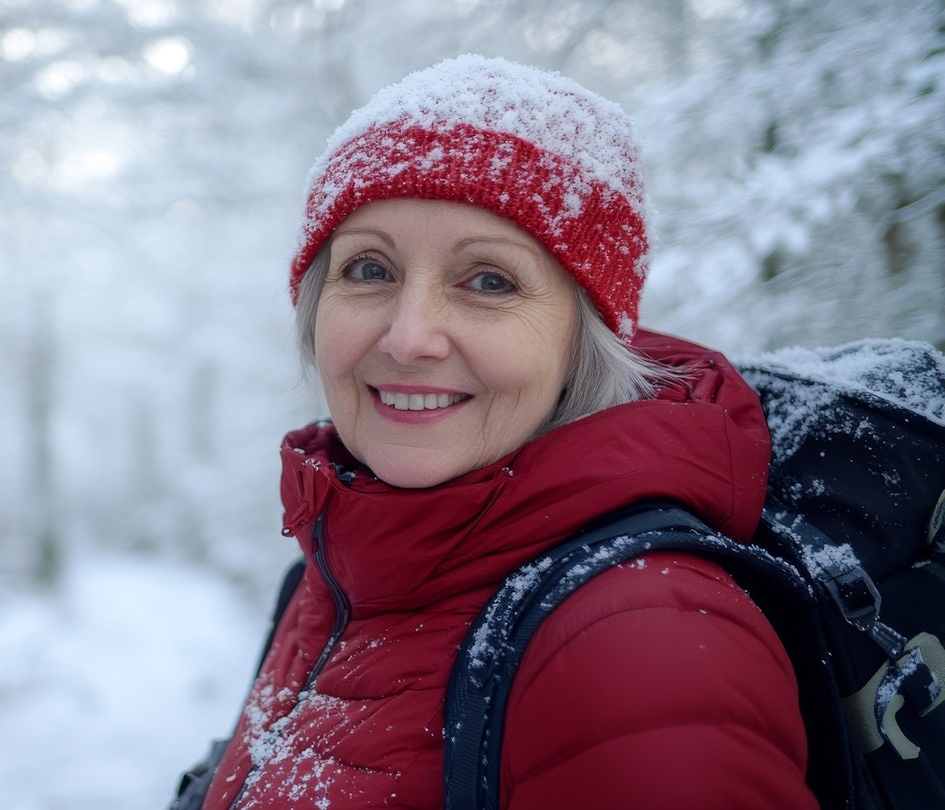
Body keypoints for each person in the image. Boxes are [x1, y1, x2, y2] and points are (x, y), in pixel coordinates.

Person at [183, 55, 818, 809]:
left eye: (489, 281)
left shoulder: (635, 637)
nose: (410, 337)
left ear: (583, 339)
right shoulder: (335, 577)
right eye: (368, 270)